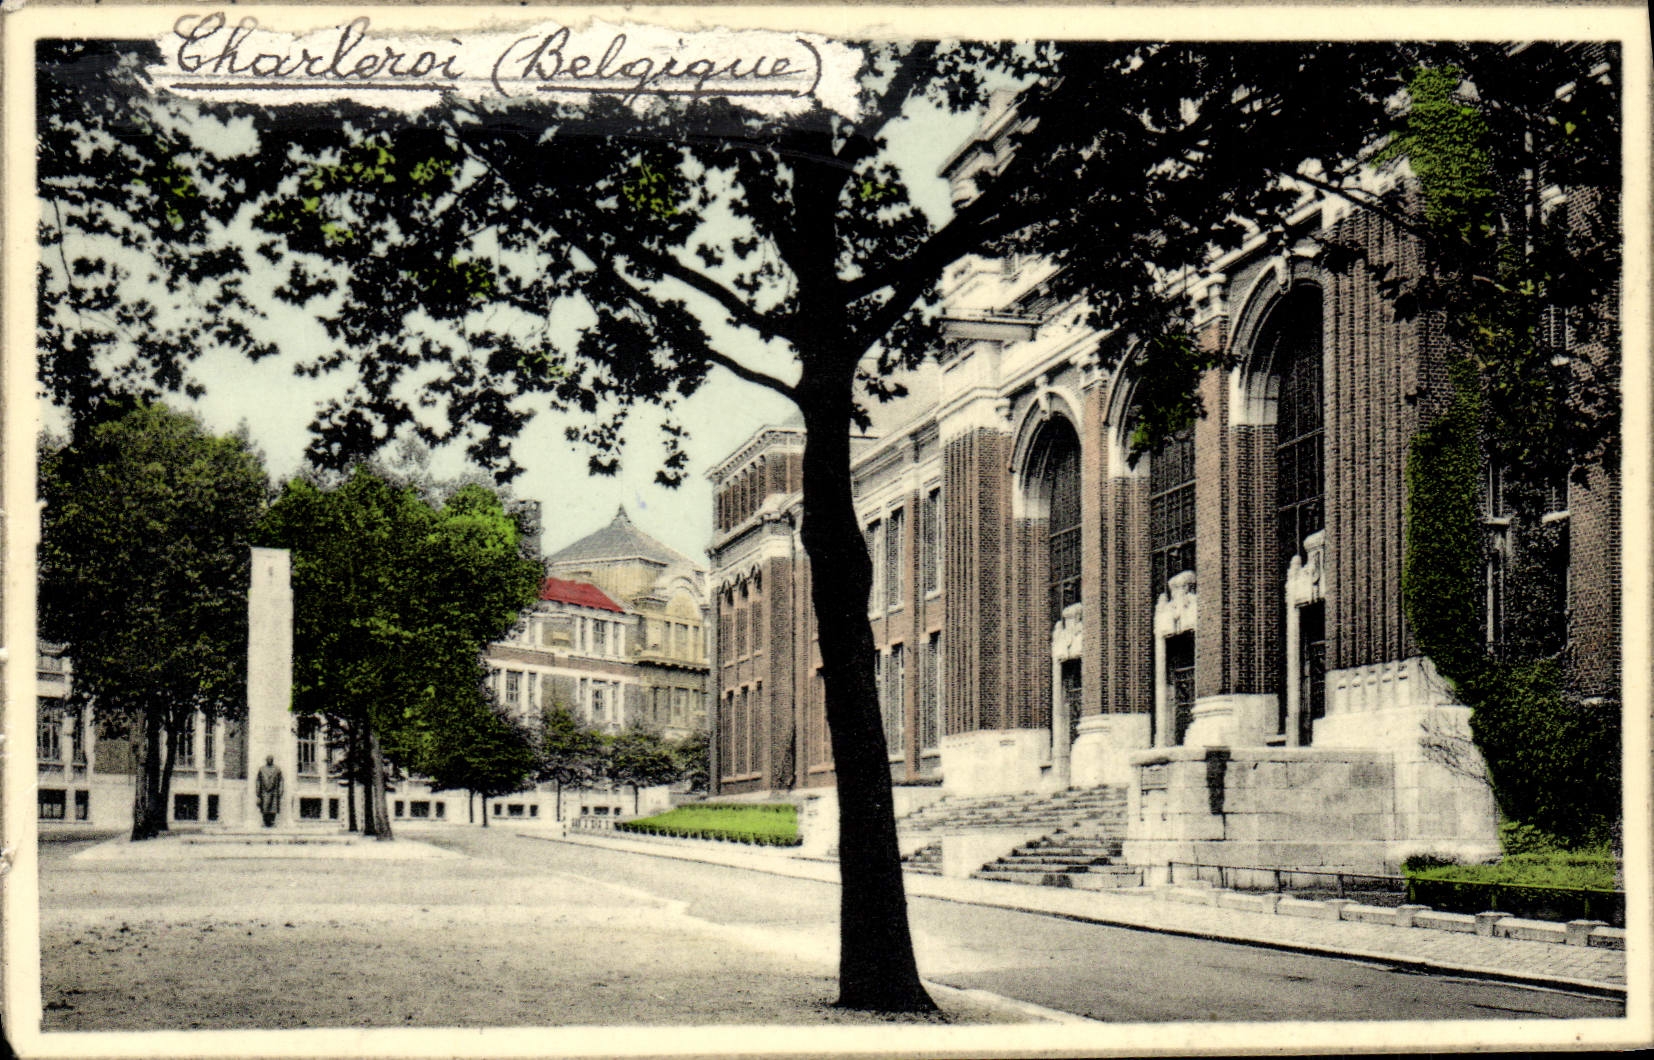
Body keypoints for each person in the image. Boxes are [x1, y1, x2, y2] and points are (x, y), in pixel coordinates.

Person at [255, 755, 283, 828]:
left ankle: (272, 822)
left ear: (272, 760)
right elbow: (258, 780)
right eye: (268, 759)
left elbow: (281, 780)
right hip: (264, 791)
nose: (269, 760)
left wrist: (281, 790)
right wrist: (258, 792)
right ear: (266, 760)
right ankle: (265, 822)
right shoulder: (262, 769)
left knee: (273, 808)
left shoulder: (277, 769)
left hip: (274, 792)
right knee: (264, 807)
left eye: (271, 759)